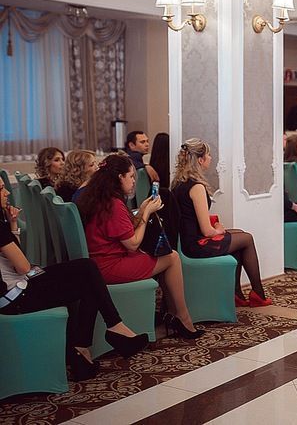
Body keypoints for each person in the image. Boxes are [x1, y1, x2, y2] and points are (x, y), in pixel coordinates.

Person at [0, 184, 148, 381]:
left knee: (88, 269)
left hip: (17, 288)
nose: (7, 192)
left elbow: (14, 261)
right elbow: (23, 267)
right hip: (16, 297)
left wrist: (12, 223)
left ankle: (89, 346)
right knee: (89, 278)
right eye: (1, 188)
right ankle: (104, 334)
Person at [77, 154, 203, 339]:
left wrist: (143, 209)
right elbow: (132, 244)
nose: (134, 181)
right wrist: (146, 214)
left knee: (165, 257)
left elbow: (123, 230)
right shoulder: (113, 204)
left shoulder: (97, 198)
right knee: (172, 257)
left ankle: (173, 315)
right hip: (110, 266)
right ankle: (183, 318)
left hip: (99, 261)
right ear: (119, 177)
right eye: (131, 176)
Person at [171, 139, 272, 307]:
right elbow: (207, 231)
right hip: (195, 245)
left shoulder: (178, 183)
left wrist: (217, 229)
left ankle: (237, 293)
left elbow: (190, 218)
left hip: (185, 241)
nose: (211, 158)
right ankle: (258, 293)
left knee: (239, 235)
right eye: (209, 155)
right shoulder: (196, 187)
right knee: (246, 238)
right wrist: (219, 229)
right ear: (200, 160)